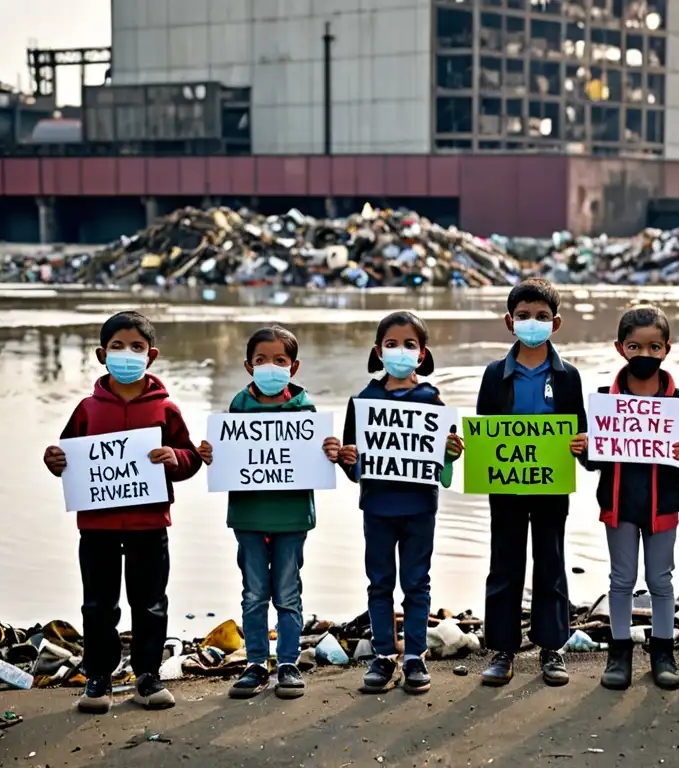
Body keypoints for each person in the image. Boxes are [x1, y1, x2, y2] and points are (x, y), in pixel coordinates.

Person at [42, 311, 202, 714]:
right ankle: (99, 677)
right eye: (117, 347)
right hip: (97, 525)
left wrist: (174, 458)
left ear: (152, 355)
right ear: (101, 354)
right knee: (98, 604)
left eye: (136, 347)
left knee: (149, 602)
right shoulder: (86, 409)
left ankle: (147, 676)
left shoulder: (165, 408)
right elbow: (68, 457)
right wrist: (54, 459)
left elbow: (189, 460)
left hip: (150, 523)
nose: (126, 354)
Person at [196, 325, 341, 700]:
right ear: (248, 366)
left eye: (279, 360)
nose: (270, 367)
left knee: (288, 594)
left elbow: (312, 459)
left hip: (292, 519)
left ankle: (288, 664)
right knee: (254, 594)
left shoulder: (306, 410)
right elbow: (230, 457)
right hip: (248, 517)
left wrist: (329, 451)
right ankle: (256, 664)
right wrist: (212, 455)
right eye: (262, 360)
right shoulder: (238, 407)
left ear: (293, 368)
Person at [339, 311, 464, 695]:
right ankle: (381, 655)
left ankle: (414, 656)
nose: (401, 351)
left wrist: (451, 453)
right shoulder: (363, 401)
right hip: (377, 507)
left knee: (416, 583)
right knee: (379, 584)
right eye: (392, 344)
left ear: (422, 354)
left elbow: (442, 465)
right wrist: (347, 459)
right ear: (378, 351)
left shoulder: (433, 400)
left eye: (410, 344)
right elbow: (354, 466)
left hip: (419, 508)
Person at [476, 278, 588, 687]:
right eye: (524, 316)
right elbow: (483, 434)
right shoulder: (494, 375)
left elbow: (583, 434)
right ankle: (502, 650)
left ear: (555, 324)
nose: (532, 323)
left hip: (551, 488)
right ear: (510, 321)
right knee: (504, 565)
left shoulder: (568, 377)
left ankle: (552, 647)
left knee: (551, 562)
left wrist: (584, 446)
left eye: (541, 317)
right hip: (505, 488)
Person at [580, 306, 679, 690]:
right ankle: (619, 651)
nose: (644, 355)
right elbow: (595, 461)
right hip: (619, 507)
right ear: (619, 348)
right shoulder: (603, 400)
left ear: (667, 349)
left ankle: (663, 651)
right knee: (621, 580)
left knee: (661, 581)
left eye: (653, 347)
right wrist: (582, 448)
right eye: (635, 346)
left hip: (663, 507)